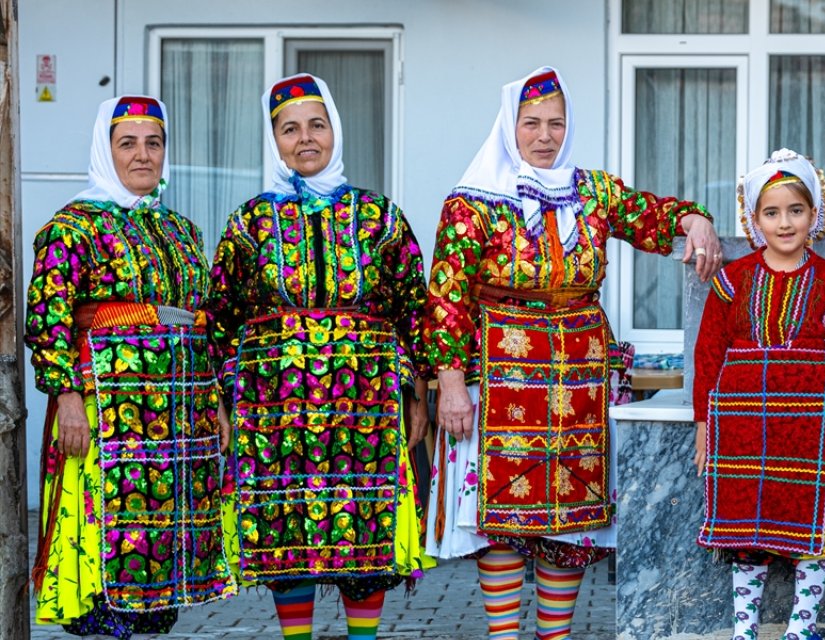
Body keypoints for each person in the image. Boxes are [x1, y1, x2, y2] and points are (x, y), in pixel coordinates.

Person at [425, 66, 721, 640]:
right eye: (531, 123)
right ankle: (505, 635)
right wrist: (451, 382)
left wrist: (693, 218)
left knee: (571, 517)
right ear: (509, 127)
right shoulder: (472, 202)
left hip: (580, 375)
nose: (544, 135)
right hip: (501, 372)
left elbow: (649, 215)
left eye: (555, 123)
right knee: (502, 522)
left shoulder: (593, 190)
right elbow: (446, 294)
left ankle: (554, 636)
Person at [205, 74, 433, 640]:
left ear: (335, 129)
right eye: (289, 129)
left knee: (363, 534)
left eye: (316, 125)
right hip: (273, 410)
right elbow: (220, 316)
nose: (305, 139)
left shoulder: (381, 217)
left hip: (365, 406)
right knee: (287, 538)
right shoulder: (249, 223)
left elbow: (414, 313)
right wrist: (221, 402)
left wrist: (420, 395)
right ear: (274, 139)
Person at [26, 95, 236, 638]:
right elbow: (47, 320)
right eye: (128, 143)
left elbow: (204, 320)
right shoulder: (72, 228)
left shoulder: (182, 231)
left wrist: (214, 400)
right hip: (107, 421)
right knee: (108, 565)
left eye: (154, 142)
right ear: (106, 149)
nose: (143, 155)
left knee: (157, 568)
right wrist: (67, 397)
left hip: (174, 427)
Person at [693, 149, 825, 640]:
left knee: (814, 531)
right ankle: (744, 628)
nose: (785, 222)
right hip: (743, 431)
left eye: (796, 210)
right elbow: (708, 356)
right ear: (754, 220)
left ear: (815, 215)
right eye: (772, 213)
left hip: (811, 433)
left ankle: (801, 627)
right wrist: (705, 427)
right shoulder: (732, 281)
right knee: (746, 532)